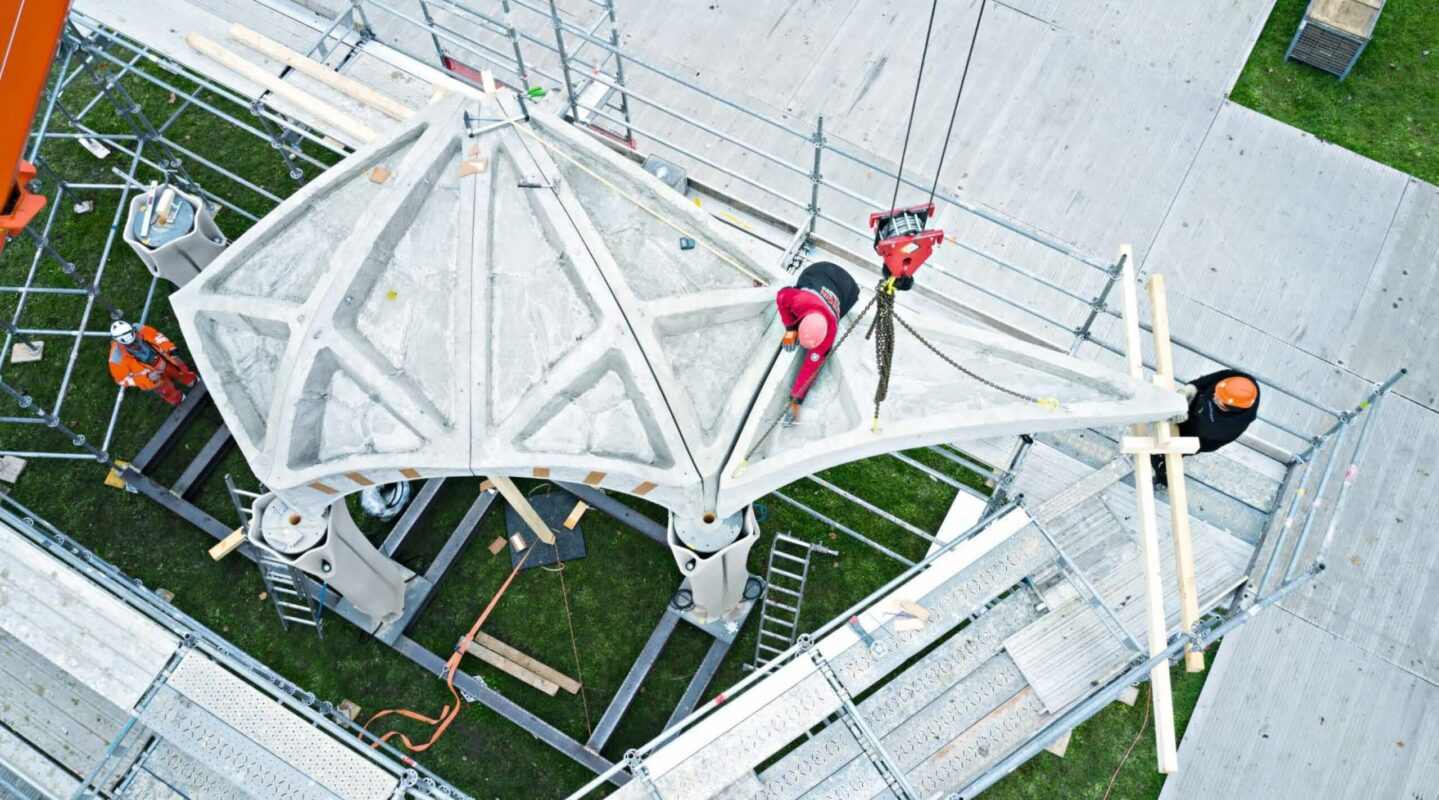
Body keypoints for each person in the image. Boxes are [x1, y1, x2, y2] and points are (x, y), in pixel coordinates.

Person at [775, 261, 859, 422]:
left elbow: (810, 368)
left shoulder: (828, 335)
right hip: (817, 271)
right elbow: (781, 296)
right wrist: (790, 330)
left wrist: (796, 401)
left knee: (841, 309)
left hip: (847, 287)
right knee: (801, 285)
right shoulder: (798, 299)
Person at [1153, 370, 1259, 485]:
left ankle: (1162, 472)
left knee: (1171, 452)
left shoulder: (1225, 427)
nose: (1214, 396)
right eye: (1217, 391)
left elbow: (1192, 430)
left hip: (1201, 439)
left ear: (1231, 409)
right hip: (1198, 410)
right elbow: (1214, 377)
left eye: (1219, 400)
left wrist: (1183, 416)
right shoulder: (1241, 381)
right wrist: (1193, 386)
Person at [107, 320, 198, 406]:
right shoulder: (116, 359)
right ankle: (177, 399)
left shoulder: (139, 328)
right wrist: (146, 377)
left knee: (179, 370)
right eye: (130, 345)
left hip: (161, 359)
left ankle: (191, 380)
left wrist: (170, 349)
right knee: (165, 389)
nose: (135, 345)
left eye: (135, 340)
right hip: (151, 376)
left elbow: (157, 337)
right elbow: (122, 379)